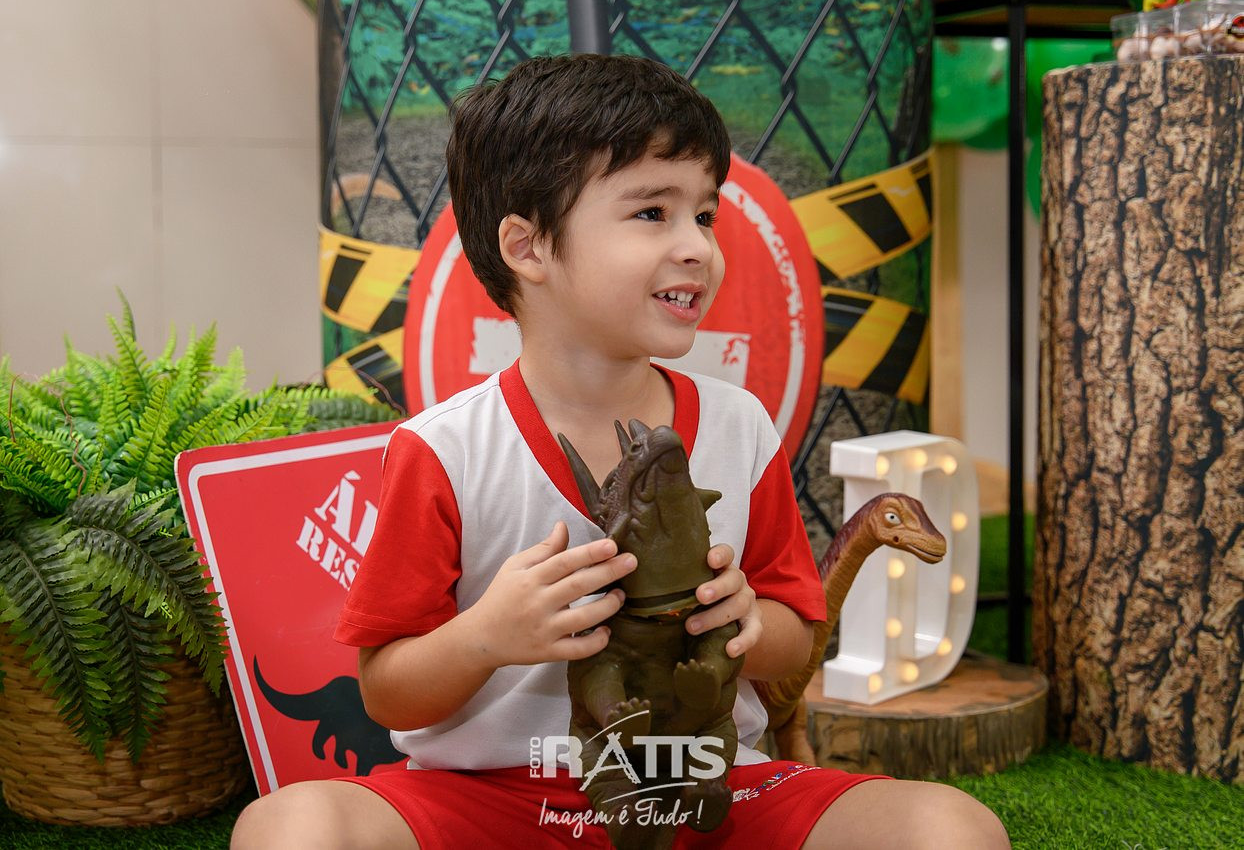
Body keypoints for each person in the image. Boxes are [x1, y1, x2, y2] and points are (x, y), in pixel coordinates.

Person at [232, 54, 1010, 850]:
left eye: (704, 215)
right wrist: (485, 636)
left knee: (951, 827)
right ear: (528, 248)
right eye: (652, 213)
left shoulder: (739, 427)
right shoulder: (443, 449)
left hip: (703, 787)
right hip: (494, 798)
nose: (697, 247)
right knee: (288, 827)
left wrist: (747, 619)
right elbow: (388, 694)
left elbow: (793, 639)